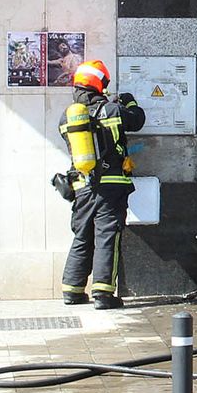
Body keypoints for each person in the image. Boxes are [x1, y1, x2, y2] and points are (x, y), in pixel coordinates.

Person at [58, 60, 146, 309]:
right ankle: (104, 294)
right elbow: (137, 119)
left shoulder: (67, 116)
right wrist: (127, 100)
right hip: (111, 184)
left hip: (82, 186)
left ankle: (72, 290)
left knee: (82, 235)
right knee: (107, 236)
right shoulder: (113, 110)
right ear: (100, 84)